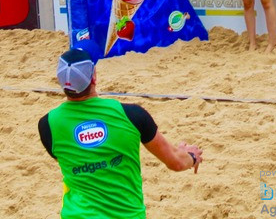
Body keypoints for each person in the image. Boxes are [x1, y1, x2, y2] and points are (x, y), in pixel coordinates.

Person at [38, 48, 202, 219]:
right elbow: (175, 162)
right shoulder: (132, 115)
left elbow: (76, 161)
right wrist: (191, 156)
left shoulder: (47, 125)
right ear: (94, 77)